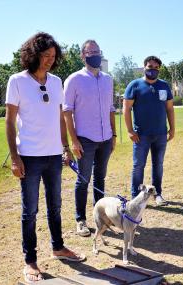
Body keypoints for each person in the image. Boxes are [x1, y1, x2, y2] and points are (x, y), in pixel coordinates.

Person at [5, 32, 85, 284]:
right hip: (29, 156)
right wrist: (15, 158)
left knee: (55, 206)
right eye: (45, 55)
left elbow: (61, 117)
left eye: (53, 56)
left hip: (53, 156)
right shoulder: (17, 81)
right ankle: (30, 261)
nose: (50, 60)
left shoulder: (56, 82)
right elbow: (9, 122)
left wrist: (65, 147)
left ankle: (58, 247)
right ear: (33, 54)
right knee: (30, 211)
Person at [63, 39, 116, 237]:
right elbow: (66, 112)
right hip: (85, 139)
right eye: (90, 51)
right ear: (82, 56)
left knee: (100, 178)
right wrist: (73, 140)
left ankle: (100, 216)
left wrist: (114, 134)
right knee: (83, 179)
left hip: (105, 138)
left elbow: (111, 108)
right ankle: (81, 220)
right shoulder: (74, 80)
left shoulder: (107, 80)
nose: (95, 54)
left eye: (97, 51)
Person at [123, 55, 175, 206]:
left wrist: (172, 129)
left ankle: (157, 194)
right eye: (150, 67)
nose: (153, 70)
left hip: (160, 134)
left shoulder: (164, 86)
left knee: (158, 165)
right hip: (141, 136)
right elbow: (126, 109)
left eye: (156, 68)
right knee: (138, 166)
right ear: (144, 67)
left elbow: (170, 109)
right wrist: (130, 131)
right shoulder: (135, 85)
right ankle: (136, 196)